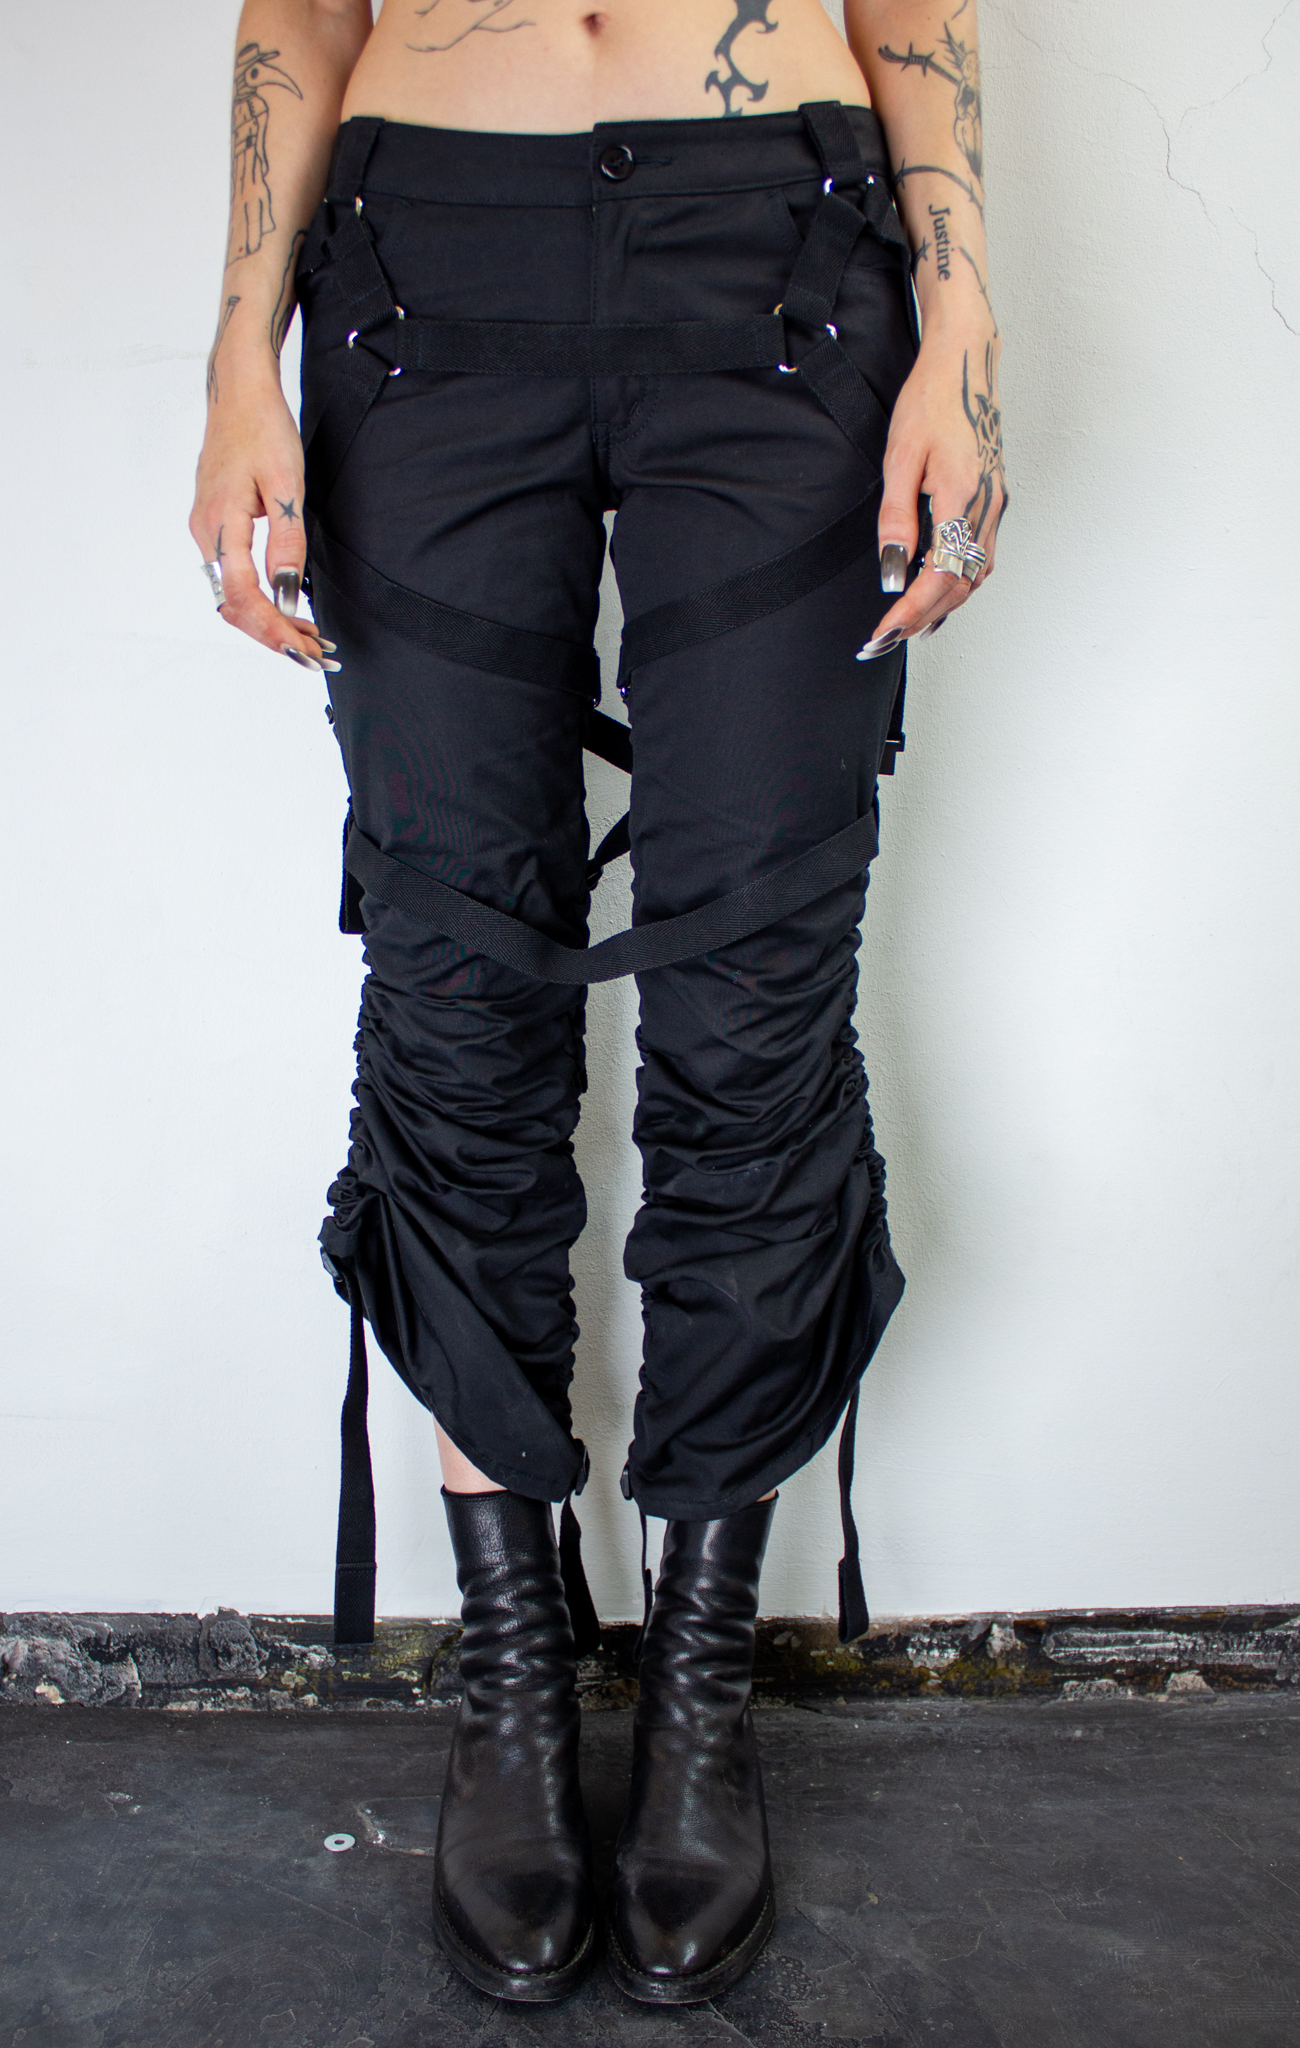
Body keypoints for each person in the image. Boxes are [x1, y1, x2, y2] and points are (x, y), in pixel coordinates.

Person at [190, 0, 1005, 2008]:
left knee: (757, 985)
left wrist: (962, 323)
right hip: (423, 272)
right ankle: (511, 1682)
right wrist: (234, 357)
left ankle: (702, 1685)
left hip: (781, 267)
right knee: (455, 980)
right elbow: (301, 8)